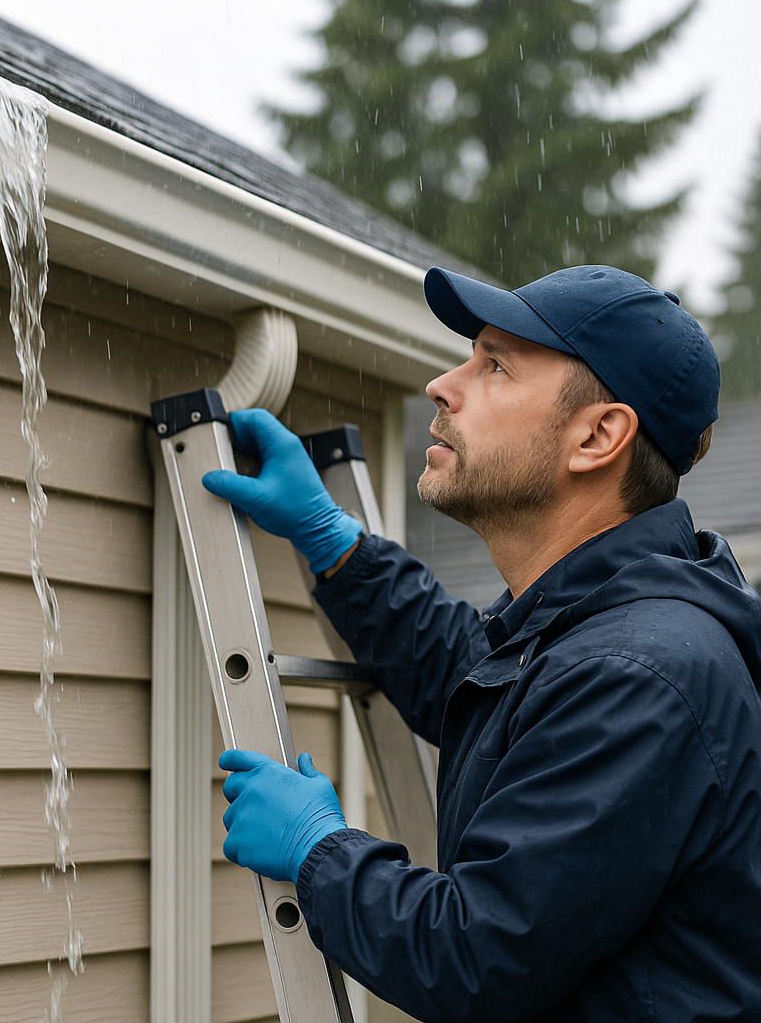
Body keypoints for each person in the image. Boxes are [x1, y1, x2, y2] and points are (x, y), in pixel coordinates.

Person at [202, 265, 761, 1023]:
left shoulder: (640, 674)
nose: (443, 384)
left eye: (495, 365)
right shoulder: (598, 628)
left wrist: (319, 853)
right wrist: (336, 545)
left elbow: (480, 956)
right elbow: (476, 679)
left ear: (597, 436)